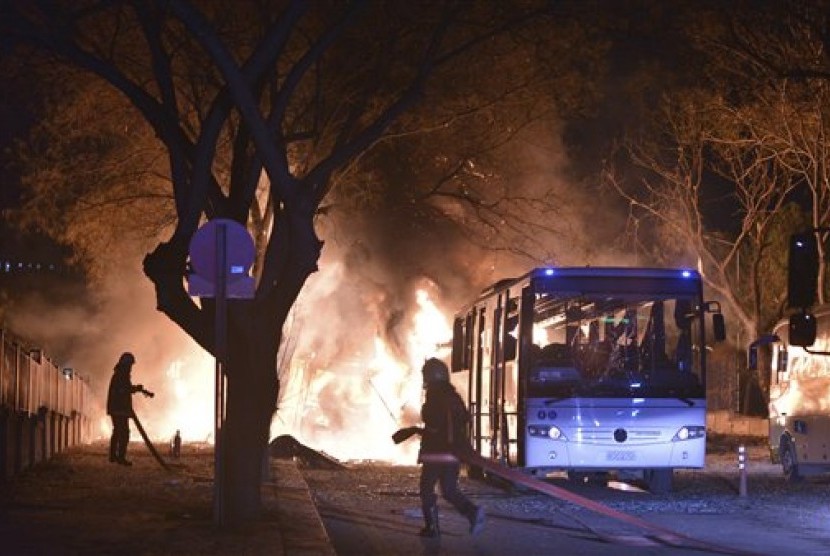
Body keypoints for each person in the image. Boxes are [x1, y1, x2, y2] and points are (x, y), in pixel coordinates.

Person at [417, 358, 485, 538]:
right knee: (449, 490)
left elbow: (433, 423)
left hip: (436, 452)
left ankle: (432, 527)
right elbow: (465, 419)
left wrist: (423, 420)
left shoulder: (434, 396)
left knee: (426, 488)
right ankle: (472, 512)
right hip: (454, 452)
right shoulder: (454, 396)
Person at [106, 352, 151, 466]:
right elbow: (124, 390)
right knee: (124, 433)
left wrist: (136, 389)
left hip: (116, 408)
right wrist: (136, 389)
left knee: (117, 431)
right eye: (130, 365)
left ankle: (113, 456)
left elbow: (124, 389)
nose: (131, 367)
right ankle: (120, 457)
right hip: (120, 408)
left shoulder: (119, 374)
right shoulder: (121, 375)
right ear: (126, 364)